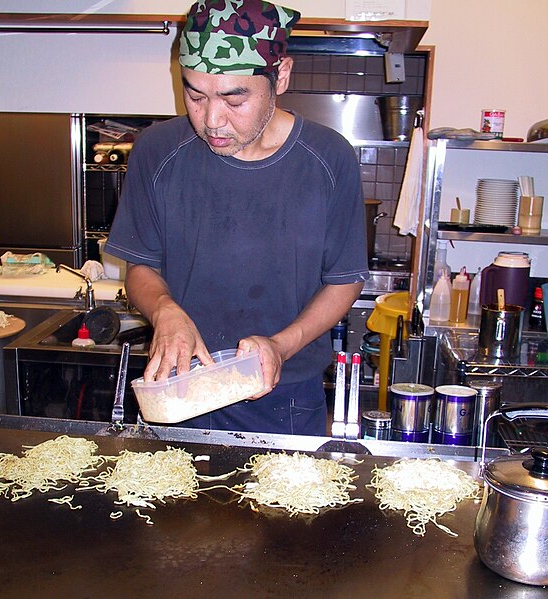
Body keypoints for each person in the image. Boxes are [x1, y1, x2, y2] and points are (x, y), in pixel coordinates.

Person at [105, 0, 369, 436]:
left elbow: (344, 280)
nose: (211, 120)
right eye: (195, 94)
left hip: (282, 397)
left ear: (280, 75)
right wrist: (166, 310)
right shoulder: (155, 151)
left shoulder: (327, 158)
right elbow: (142, 267)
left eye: (234, 98)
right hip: (177, 390)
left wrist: (281, 346)